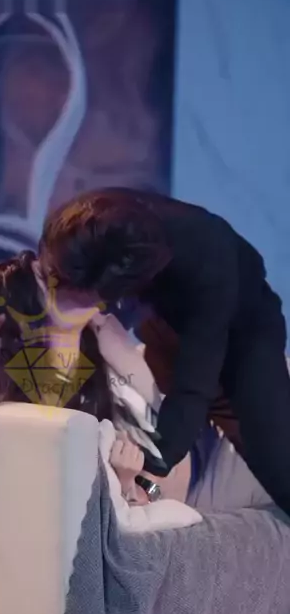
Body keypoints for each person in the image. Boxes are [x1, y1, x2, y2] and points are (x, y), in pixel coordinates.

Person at [34, 186, 290, 517]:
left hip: (243, 326)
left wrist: (145, 477)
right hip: (156, 338)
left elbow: (192, 391)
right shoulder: (81, 229)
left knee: (276, 461)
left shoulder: (208, 262)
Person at [0, 250, 191, 512]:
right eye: (49, 283)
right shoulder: (29, 415)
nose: (68, 285)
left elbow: (161, 464)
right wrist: (127, 485)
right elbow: (148, 491)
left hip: (185, 444)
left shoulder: (100, 349)